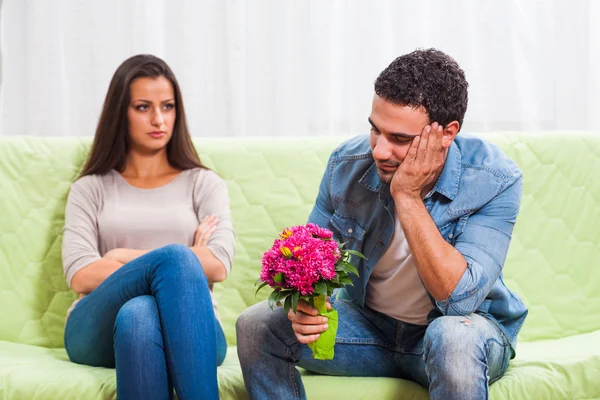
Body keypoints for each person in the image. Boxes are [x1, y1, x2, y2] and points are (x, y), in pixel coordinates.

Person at [236, 48, 528, 400]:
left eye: (401, 139)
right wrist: (306, 304)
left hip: (463, 334)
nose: (379, 150)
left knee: (452, 338)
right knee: (256, 325)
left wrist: (407, 195)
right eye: (376, 130)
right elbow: (312, 262)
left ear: (448, 133)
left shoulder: (495, 179)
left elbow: (458, 302)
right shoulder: (347, 163)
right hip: (369, 329)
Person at [62, 54, 235, 400]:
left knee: (139, 314)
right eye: (143, 107)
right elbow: (80, 273)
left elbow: (217, 265)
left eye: (168, 106)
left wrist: (122, 256)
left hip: (197, 327)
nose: (158, 119)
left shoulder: (203, 184)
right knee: (176, 260)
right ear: (120, 113)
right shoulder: (90, 188)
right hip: (93, 327)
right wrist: (186, 258)